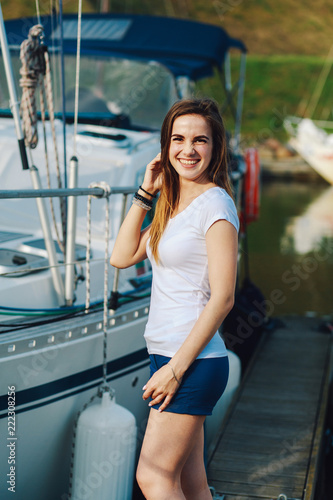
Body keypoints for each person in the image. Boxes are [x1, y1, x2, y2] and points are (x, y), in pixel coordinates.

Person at [110, 98, 239, 500]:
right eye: (178, 139)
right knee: (190, 483)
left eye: (200, 140)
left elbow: (224, 299)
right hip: (167, 355)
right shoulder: (173, 204)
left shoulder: (216, 205)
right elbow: (120, 257)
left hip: (191, 361)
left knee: (153, 477)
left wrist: (175, 370)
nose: (188, 149)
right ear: (166, 147)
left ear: (215, 147)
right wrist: (146, 191)